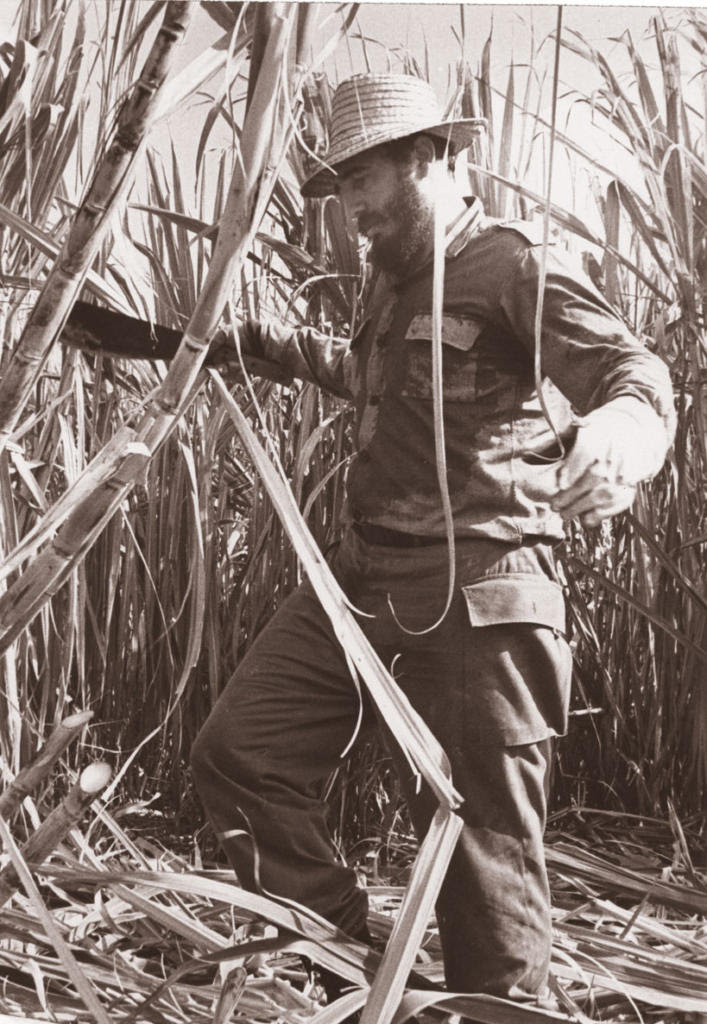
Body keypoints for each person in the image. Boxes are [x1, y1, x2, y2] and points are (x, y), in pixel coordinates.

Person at [190, 73, 675, 1018]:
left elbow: (629, 368)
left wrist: (623, 433)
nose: (350, 209)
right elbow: (369, 374)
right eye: (341, 187)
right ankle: (342, 964)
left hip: (480, 584)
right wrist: (249, 342)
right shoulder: (392, 278)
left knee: (478, 857)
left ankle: (500, 1009)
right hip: (358, 582)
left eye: (362, 180)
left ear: (431, 158)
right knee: (241, 754)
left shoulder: (511, 263)